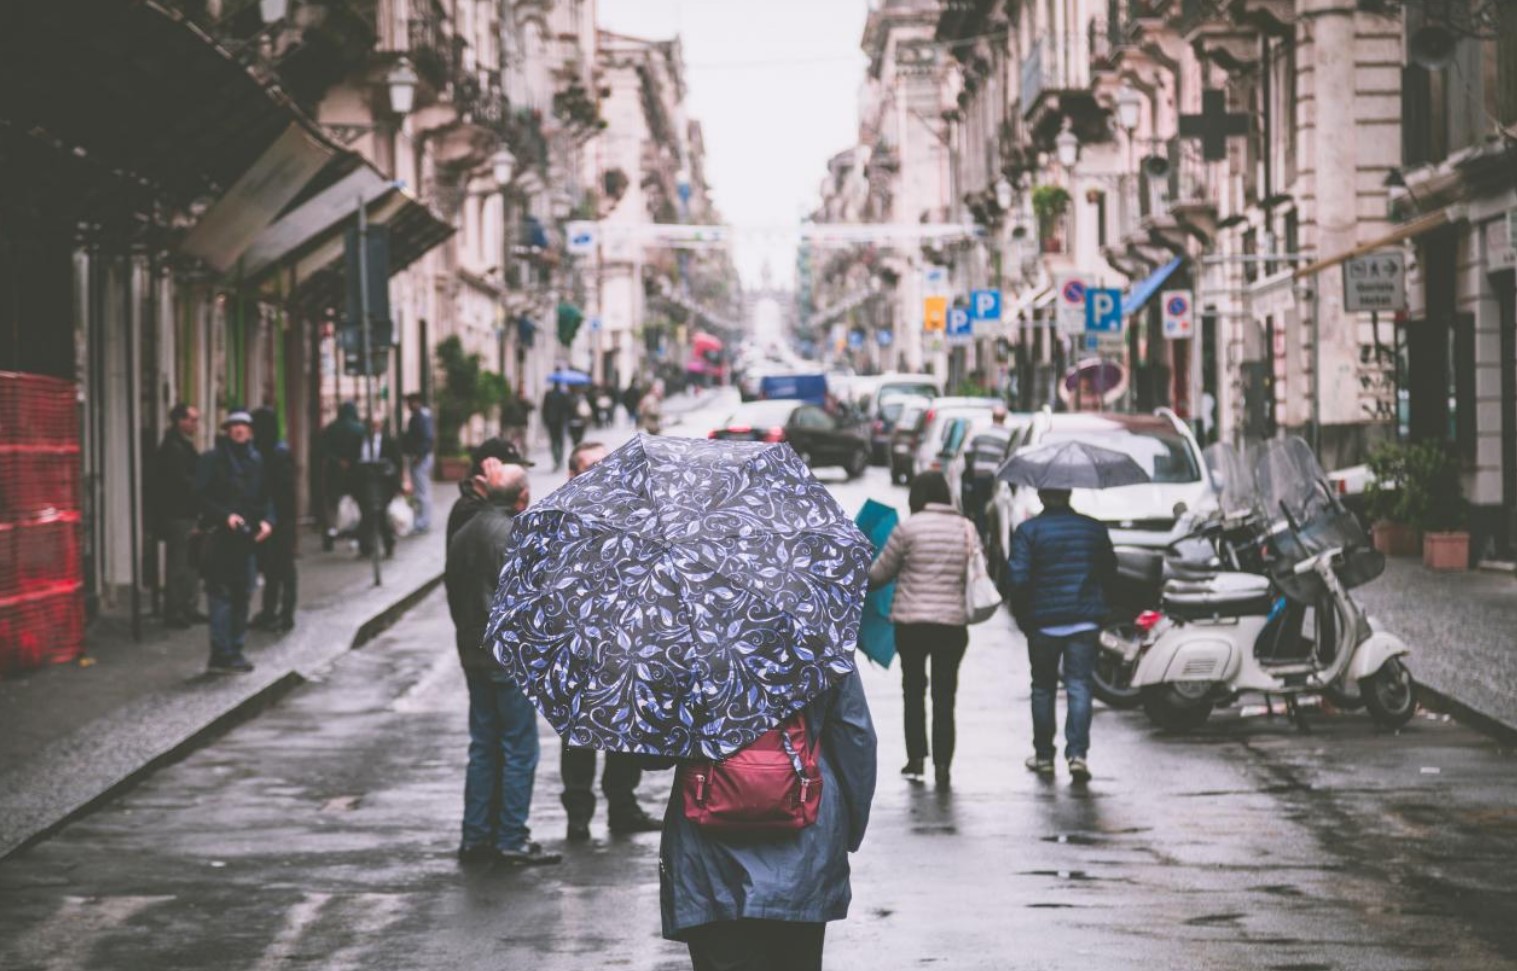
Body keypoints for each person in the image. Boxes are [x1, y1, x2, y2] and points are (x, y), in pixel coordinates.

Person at [660, 668, 876, 970]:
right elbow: (856, 740)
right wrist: (848, 831)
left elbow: (651, 752)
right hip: (805, 849)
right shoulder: (824, 640)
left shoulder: (685, 642)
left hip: (709, 854)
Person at [445, 458, 561, 867]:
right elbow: (533, 602)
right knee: (518, 749)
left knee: (483, 747)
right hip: (507, 658)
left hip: (472, 653)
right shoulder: (515, 535)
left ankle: (476, 837)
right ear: (523, 496)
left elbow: (456, 594)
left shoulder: (464, 532)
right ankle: (511, 837)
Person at [558, 441, 661, 840]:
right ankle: (579, 815)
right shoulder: (562, 521)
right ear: (573, 474)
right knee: (578, 738)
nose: (602, 473)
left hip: (625, 645)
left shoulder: (631, 514)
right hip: (579, 648)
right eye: (591, 467)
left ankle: (623, 807)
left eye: (606, 465)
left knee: (626, 731)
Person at [866, 471, 979, 789]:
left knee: (913, 691)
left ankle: (916, 759)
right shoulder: (966, 528)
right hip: (951, 626)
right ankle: (943, 765)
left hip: (911, 624)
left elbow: (878, 576)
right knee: (945, 696)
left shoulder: (907, 529)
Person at [1006, 487, 1116, 783]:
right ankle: (1077, 755)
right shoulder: (1093, 529)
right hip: (1084, 620)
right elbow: (1109, 572)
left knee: (1042, 687)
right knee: (1079, 685)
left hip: (1043, 622)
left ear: (1041, 495)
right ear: (1069, 493)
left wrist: (1024, 616)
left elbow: (1018, 578)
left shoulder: (1029, 531)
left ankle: (1044, 757)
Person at [195, 410, 274, 673]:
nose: (239, 430)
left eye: (244, 426)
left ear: (251, 431)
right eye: (234, 426)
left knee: (243, 594)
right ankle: (221, 652)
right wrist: (224, 516)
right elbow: (200, 496)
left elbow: (266, 497)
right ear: (227, 430)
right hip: (220, 539)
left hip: (247, 539)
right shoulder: (212, 460)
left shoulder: (256, 460)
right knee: (220, 595)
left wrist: (268, 521)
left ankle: (236, 649)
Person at [153, 403, 205, 628]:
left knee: (190, 561)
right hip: (179, 512)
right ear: (180, 421)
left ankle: (187, 607)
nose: (195, 425)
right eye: (192, 420)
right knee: (180, 563)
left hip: (186, 511)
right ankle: (176, 611)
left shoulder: (180, 445)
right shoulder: (174, 448)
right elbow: (181, 482)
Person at [249, 407, 297, 633]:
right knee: (273, 568)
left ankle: (283, 614)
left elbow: (283, 491)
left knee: (281, 568)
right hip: (274, 518)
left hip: (279, 519)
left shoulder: (274, 453)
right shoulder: (271, 451)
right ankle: (272, 612)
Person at [446, 436, 534, 545]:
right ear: (486, 471)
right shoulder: (468, 508)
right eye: (511, 471)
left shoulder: (503, 501)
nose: (521, 479)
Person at [960, 404, 1013, 544]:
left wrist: (974, 466)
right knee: (994, 507)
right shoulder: (1007, 436)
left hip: (979, 475)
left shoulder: (981, 433)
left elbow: (967, 452)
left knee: (979, 507)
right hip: (995, 478)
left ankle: (981, 537)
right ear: (1004, 418)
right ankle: (990, 534)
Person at [355, 415, 405, 559]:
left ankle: (388, 544)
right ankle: (366, 547)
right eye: (370, 425)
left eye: (376, 425)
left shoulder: (388, 441)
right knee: (367, 515)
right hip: (364, 483)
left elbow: (397, 462)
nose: (373, 429)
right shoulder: (360, 441)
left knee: (380, 513)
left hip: (383, 484)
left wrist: (398, 483)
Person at [318, 402, 363, 551]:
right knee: (354, 504)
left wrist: (338, 461)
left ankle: (331, 533)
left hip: (334, 472)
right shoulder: (359, 429)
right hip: (354, 472)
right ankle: (354, 536)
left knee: (332, 505)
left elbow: (323, 450)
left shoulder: (331, 429)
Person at [402, 392, 435, 534]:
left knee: (422, 491)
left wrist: (419, 455)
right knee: (421, 491)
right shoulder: (420, 417)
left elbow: (427, 438)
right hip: (420, 457)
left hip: (421, 458)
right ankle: (422, 520)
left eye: (410, 402)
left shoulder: (422, 417)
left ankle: (423, 522)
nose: (408, 405)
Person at [542, 382, 571, 471]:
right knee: (560, 441)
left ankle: (557, 459)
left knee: (554, 441)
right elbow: (567, 409)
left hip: (552, 421)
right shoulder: (563, 395)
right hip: (560, 422)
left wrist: (545, 420)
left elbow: (544, 409)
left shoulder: (549, 394)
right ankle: (559, 459)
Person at [502, 390, 534, 454]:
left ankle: (524, 456)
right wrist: (504, 425)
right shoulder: (511, 402)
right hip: (512, 426)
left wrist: (524, 401)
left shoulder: (524, 402)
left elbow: (532, 407)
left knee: (523, 443)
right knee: (509, 443)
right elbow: (505, 413)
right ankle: (509, 455)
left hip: (521, 425)